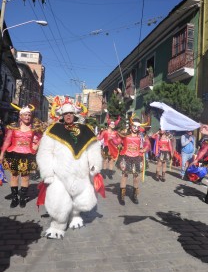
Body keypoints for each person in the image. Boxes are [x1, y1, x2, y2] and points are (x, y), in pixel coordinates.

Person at [36, 101, 103, 239]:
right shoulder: (53, 130)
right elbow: (45, 152)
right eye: (66, 113)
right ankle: (57, 226)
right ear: (62, 115)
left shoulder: (85, 130)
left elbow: (93, 148)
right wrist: (47, 172)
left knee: (80, 198)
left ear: (75, 115)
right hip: (59, 174)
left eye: (70, 113)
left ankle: (75, 216)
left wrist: (94, 164)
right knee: (58, 199)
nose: (68, 116)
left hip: (81, 173)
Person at [0, 104, 42, 208]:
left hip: (27, 155)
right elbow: (7, 141)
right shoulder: (13, 127)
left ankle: (22, 198)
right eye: (25, 115)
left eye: (29, 115)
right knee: (14, 176)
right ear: (20, 116)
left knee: (25, 177)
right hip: (13, 154)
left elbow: (40, 138)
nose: (27, 117)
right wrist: (1, 154)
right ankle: (14, 198)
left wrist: (36, 146)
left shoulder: (34, 128)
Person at [115, 115, 150, 205]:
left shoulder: (142, 135)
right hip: (126, 156)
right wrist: (114, 139)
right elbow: (117, 141)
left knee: (136, 177)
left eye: (137, 127)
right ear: (131, 125)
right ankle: (122, 196)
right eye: (134, 126)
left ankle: (134, 196)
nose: (135, 128)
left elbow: (147, 144)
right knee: (125, 176)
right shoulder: (125, 133)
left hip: (137, 157)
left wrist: (144, 149)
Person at [97, 114, 120, 179]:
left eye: (114, 124)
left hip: (113, 148)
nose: (113, 125)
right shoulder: (105, 132)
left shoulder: (115, 132)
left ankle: (110, 174)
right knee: (105, 160)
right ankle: (103, 173)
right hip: (106, 147)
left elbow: (119, 139)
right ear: (109, 124)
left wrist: (118, 142)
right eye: (112, 124)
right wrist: (94, 138)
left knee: (111, 161)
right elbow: (100, 138)